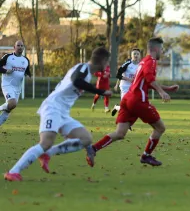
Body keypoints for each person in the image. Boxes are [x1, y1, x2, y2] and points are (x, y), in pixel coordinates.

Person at [4, 47, 111, 182]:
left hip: (63, 112)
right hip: (52, 108)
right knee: (45, 142)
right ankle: (13, 172)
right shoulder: (84, 68)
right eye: (107, 62)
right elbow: (76, 81)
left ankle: (47, 154)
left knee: (86, 139)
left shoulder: (87, 72)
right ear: (102, 61)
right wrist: (100, 91)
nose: (107, 66)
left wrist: (89, 150)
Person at [86, 37, 179, 167]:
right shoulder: (150, 61)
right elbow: (150, 79)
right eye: (161, 49)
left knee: (120, 133)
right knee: (160, 128)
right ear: (156, 49)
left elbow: (147, 81)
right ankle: (146, 156)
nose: (162, 52)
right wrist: (162, 92)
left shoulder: (143, 62)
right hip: (138, 100)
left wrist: (167, 88)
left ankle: (93, 149)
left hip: (128, 99)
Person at [0, 40, 31, 126]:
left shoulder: (25, 60)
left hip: (18, 88)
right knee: (12, 103)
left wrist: (28, 75)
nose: (20, 47)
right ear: (14, 47)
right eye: (18, 45)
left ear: (23, 48)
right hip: (7, 85)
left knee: (9, 109)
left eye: (21, 46)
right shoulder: (8, 57)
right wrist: (5, 70)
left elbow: (27, 71)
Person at [111, 48, 142, 117]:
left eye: (137, 54)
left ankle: (117, 107)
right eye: (134, 54)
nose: (136, 55)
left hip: (135, 87)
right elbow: (118, 75)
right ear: (131, 55)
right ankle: (127, 124)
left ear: (140, 56)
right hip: (125, 87)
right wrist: (128, 79)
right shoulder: (127, 64)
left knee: (133, 106)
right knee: (125, 107)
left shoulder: (141, 65)